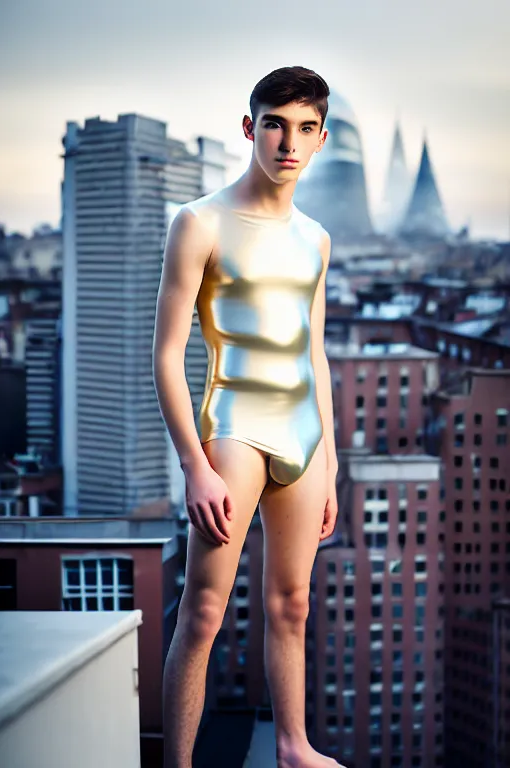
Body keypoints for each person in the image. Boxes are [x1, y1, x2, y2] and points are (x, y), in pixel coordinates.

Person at [153, 65, 344, 768]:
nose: (287, 142)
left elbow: (315, 355)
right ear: (250, 127)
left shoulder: (316, 240)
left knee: (291, 606)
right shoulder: (200, 222)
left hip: (303, 434)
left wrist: (330, 465)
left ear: (321, 138)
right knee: (203, 614)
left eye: (303, 129)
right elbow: (167, 356)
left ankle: (294, 748)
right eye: (274, 123)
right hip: (232, 429)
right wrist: (193, 466)